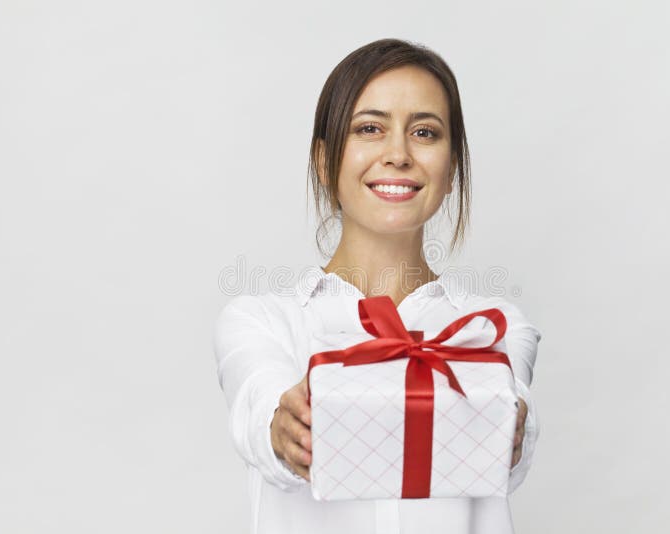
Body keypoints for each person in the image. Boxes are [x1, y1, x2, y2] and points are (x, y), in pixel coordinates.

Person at [213, 38, 542, 534]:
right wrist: (282, 431)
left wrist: (513, 426)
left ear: (451, 168)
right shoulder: (261, 321)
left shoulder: (489, 328)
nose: (398, 154)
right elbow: (259, 411)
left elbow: (509, 427)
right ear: (324, 162)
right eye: (370, 128)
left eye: (425, 133)